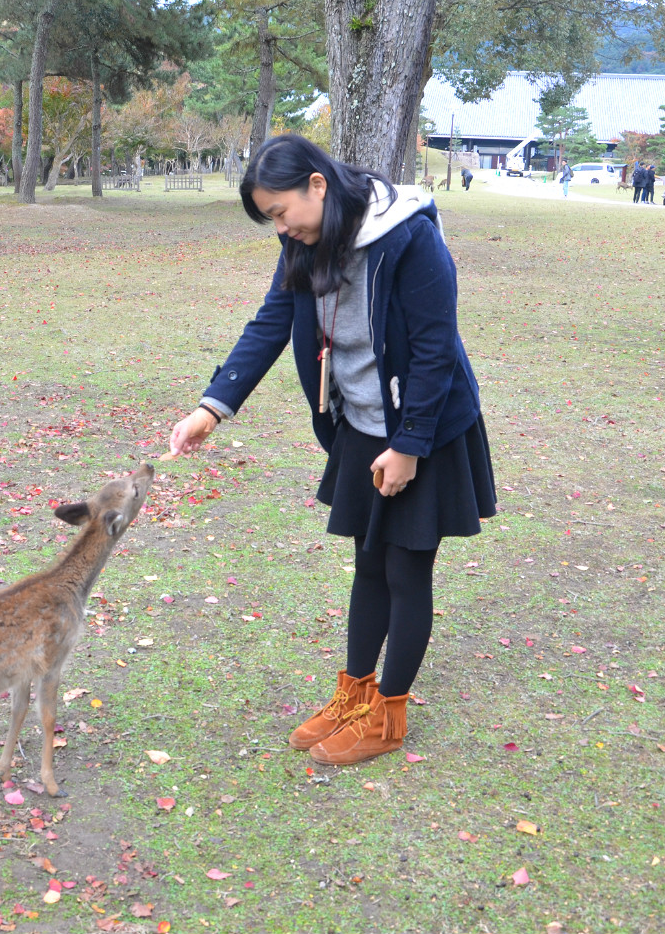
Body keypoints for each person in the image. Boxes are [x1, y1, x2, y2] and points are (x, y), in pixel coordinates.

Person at [165, 134, 496, 766]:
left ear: (317, 184)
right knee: (369, 563)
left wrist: (409, 446)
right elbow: (270, 321)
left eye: (280, 211)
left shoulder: (408, 235)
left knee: (406, 568)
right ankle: (354, 693)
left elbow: (434, 348)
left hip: (420, 427)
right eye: (270, 220)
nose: (280, 227)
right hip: (358, 425)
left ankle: (389, 715)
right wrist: (213, 407)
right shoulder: (304, 242)